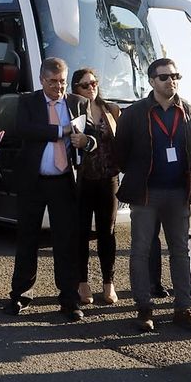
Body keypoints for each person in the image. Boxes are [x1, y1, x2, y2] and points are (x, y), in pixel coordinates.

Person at [114, 58, 191, 333]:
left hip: (178, 193)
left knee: (180, 251)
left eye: (175, 75)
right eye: (164, 77)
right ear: (152, 80)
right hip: (146, 194)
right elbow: (121, 153)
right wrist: (140, 173)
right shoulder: (134, 113)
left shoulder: (190, 111)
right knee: (141, 251)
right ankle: (144, 309)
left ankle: (183, 308)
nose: (171, 81)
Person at [5, 56, 97, 322]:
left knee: (66, 242)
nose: (59, 87)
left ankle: (69, 299)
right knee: (27, 239)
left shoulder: (78, 103)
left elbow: (92, 136)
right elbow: (24, 129)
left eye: (63, 81)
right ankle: (21, 294)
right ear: (42, 80)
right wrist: (62, 130)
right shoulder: (28, 102)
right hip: (33, 181)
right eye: (53, 82)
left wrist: (85, 141)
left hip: (63, 181)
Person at [71, 67, 120, 307]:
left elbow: (120, 141)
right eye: (85, 85)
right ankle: (82, 282)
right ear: (75, 89)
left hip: (108, 178)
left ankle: (108, 283)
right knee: (80, 231)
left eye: (94, 83)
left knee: (107, 232)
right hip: (82, 179)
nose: (91, 87)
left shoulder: (111, 109)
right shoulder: (73, 109)